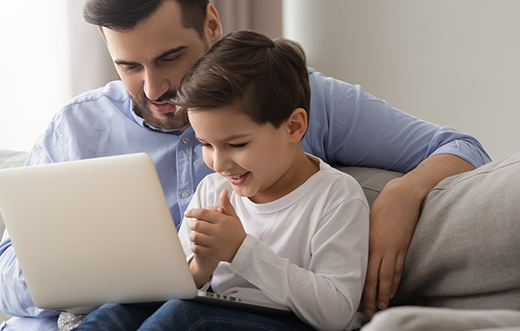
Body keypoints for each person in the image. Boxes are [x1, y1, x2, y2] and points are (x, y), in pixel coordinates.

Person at [0, 0, 490, 331]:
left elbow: (461, 147)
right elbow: (5, 277)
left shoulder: (295, 96)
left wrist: (401, 195)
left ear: (211, 24)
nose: (155, 87)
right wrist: (99, 274)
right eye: (128, 66)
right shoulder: (77, 129)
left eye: (169, 58)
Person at [69, 30, 368, 331]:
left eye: (237, 145)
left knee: (185, 318)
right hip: (217, 308)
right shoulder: (214, 189)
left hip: (290, 323)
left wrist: (241, 251)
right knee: (116, 313)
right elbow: (177, 283)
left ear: (293, 126)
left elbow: (337, 312)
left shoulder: (336, 196)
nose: (219, 163)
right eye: (207, 145)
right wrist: (201, 267)